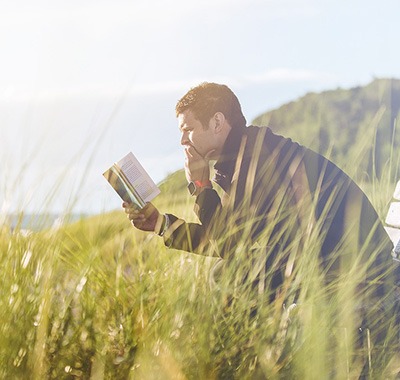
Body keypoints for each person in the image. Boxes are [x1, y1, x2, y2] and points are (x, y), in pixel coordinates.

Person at [123, 82, 399, 366]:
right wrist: (159, 223)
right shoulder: (245, 154)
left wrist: (202, 186)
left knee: (230, 274)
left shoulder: (257, 159)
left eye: (188, 128)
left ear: (217, 122)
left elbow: (226, 244)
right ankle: (262, 362)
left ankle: (259, 364)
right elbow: (226, 239)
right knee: (231, 271)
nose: (182, 140)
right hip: (331, 260)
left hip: (357, 270)